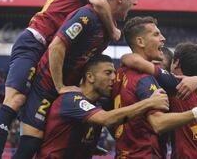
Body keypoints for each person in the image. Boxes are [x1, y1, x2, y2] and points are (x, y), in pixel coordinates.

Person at [0, 0, 132, 158]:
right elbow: (99, 2)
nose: (135, 2)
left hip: (44, 51)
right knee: (16, 99)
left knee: (37, 136)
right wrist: (114, 30)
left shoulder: (91, 15)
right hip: (34, 41)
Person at [113, 16, 197, 158]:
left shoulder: (176, 90)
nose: (163, 38)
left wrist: (130, 58)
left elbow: (157, 122)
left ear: (175, 63)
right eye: (157, 34)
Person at [35, 54, 169, 159]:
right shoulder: (72, 99)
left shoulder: (99, 104)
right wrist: (149, 102)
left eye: (114, 72)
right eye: (107, 73)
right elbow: (106, 119)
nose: (113, 77)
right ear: (90, 77)